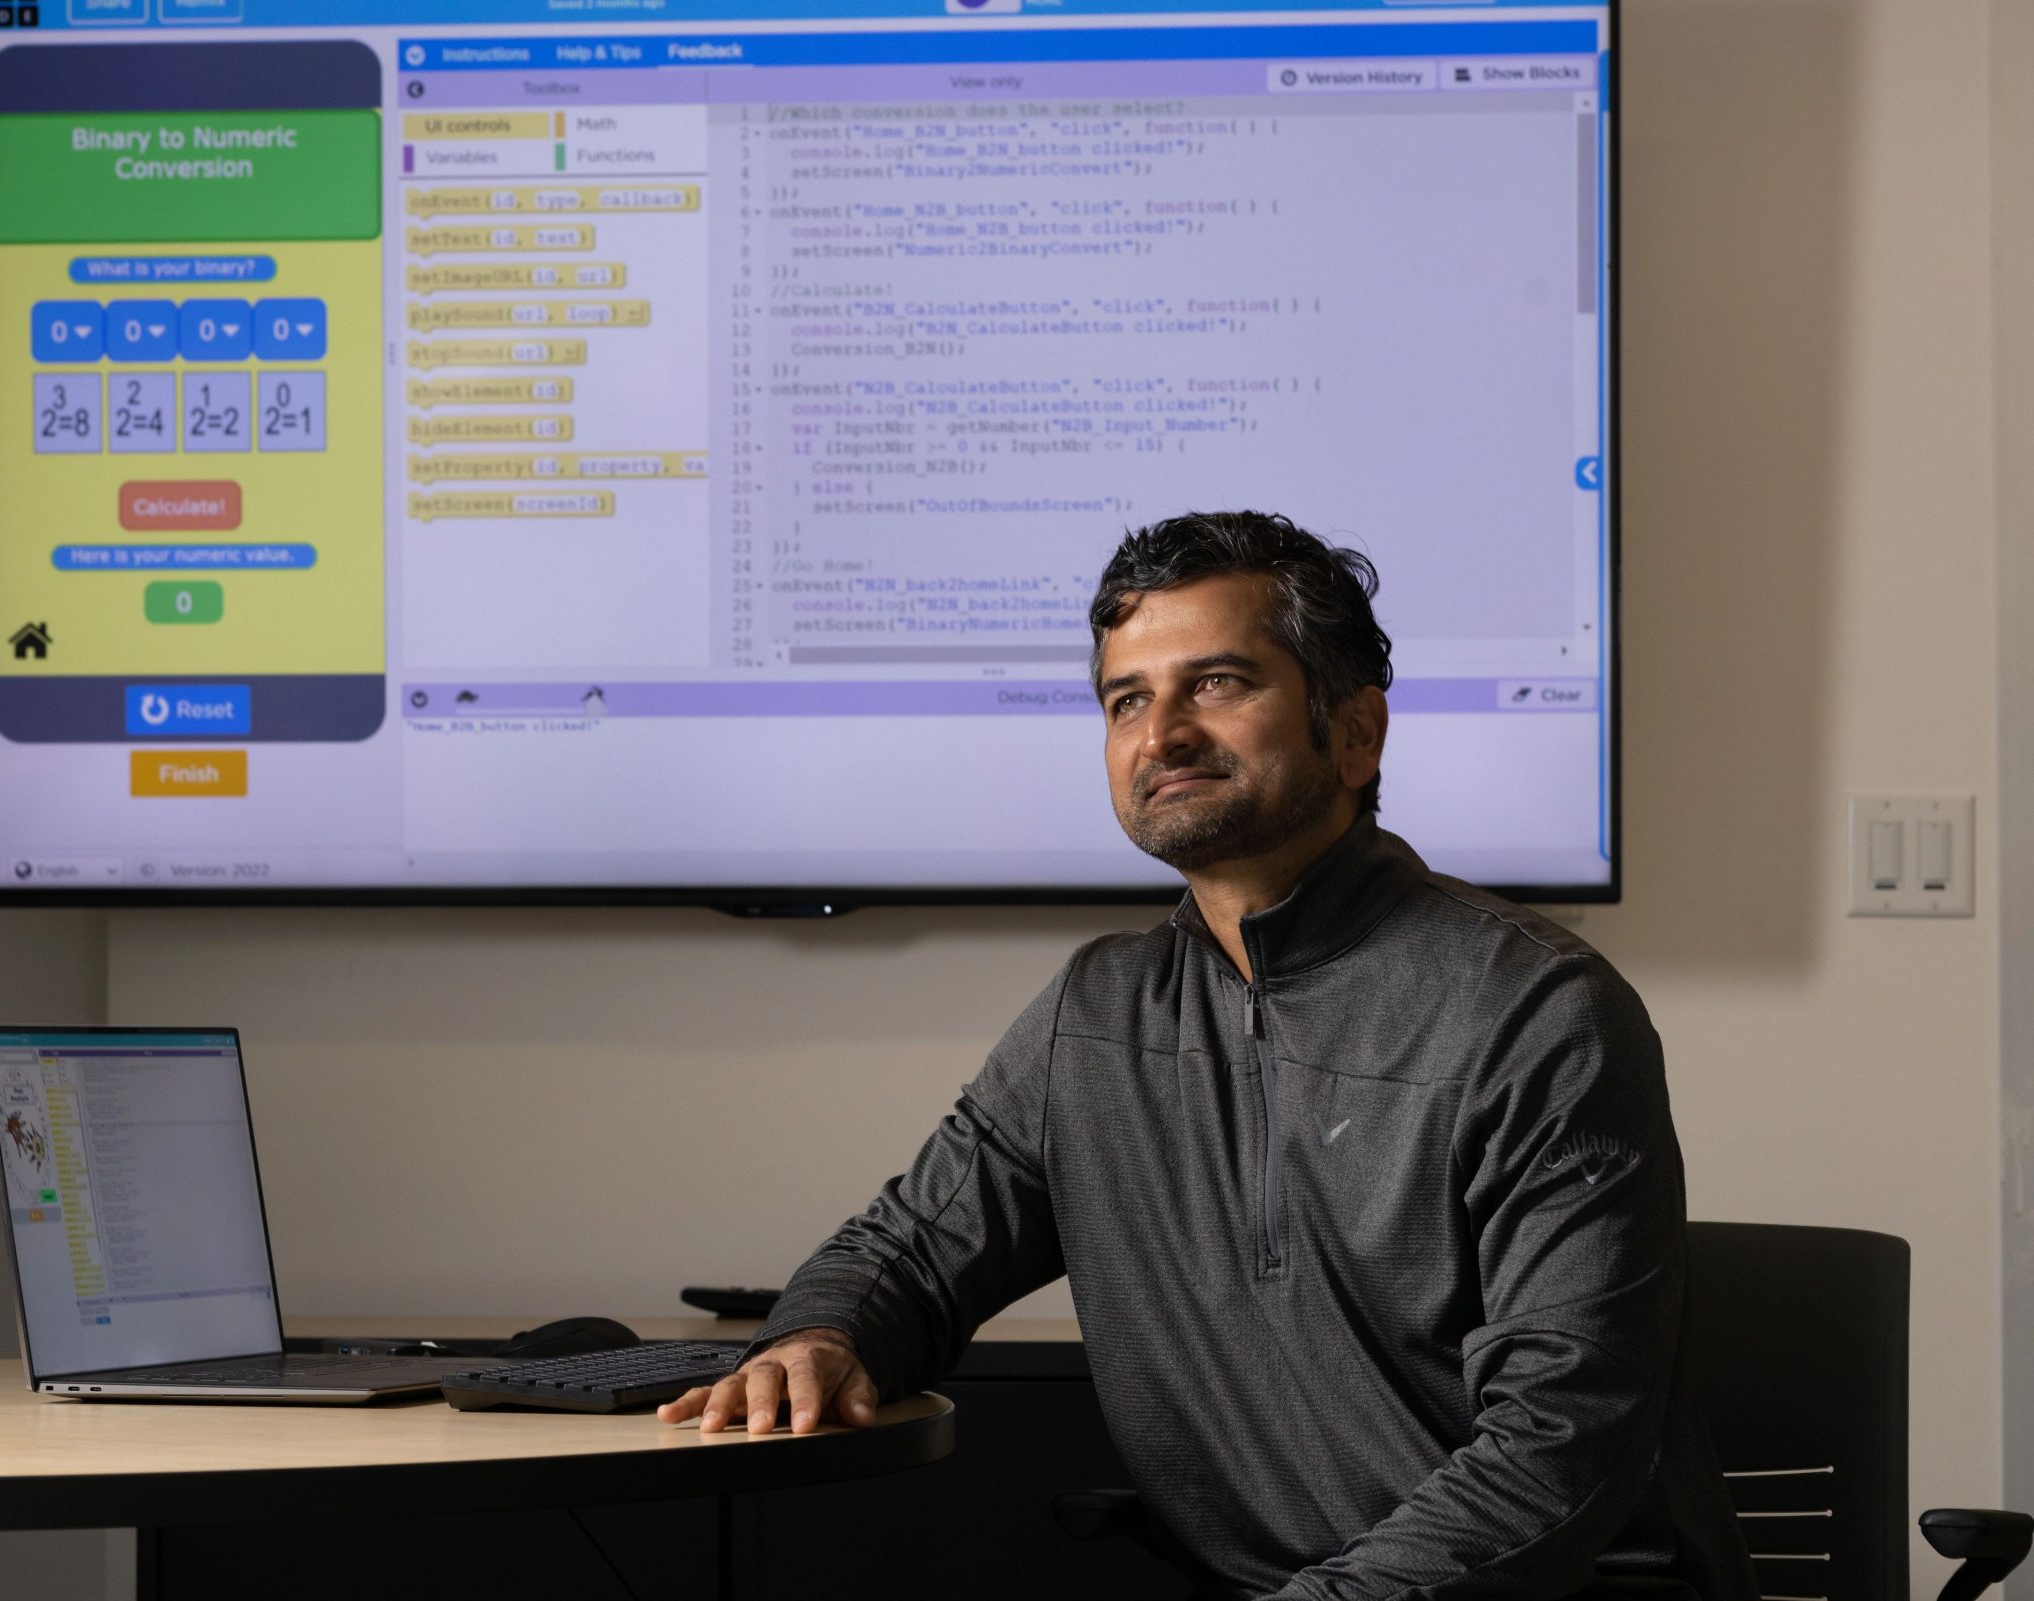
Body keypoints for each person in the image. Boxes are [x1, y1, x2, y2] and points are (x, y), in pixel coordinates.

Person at [659, 511, 1757, 1600]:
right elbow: (907, 1250)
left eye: (1220, 683)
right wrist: (819, 1336)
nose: (1163, 733)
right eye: (1128, 698)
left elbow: (1558, 1452)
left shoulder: (1533, 1009)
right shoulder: (1098, 1010)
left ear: (1357, 734)